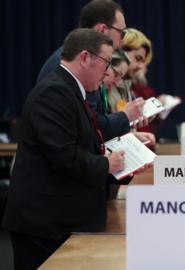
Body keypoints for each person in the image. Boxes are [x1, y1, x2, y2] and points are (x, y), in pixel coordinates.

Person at [2, 29, 125, 270]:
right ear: (85, 57)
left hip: (56, 218)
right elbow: (63, 156)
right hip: (42, 226)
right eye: (106, 63)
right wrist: (106, 164)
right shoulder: (54, 91)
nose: (108, 72)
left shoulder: (69, 88)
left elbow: (84, 140)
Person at [36, 0, 146, 139]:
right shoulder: (69, 66)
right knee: (171, 161)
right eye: (121, 33)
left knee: (171, 161)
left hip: (79, 157)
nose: (122, 40)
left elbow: (93, 125)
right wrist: (125, 116)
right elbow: (87, 129)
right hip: (64, 158)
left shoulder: (82, 61)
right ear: (102, 30)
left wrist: (128, 135)